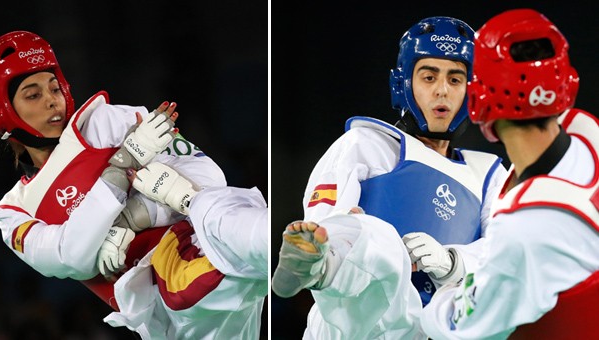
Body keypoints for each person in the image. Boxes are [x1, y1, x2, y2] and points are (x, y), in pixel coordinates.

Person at [272, 16, 507, 338]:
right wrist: (329, 238)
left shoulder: (488, 173)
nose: (442, 90)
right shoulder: (368, 144)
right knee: (369, 231)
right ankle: (315, 266)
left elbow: (505, 254)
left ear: (472, 91)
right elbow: (322, 219)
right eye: (429, 77)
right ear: (403, 84)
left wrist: (452, 262)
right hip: (356, 317)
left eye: (455, 80)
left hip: (434, 324)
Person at [0, 30, 226, 311]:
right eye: (33, 95)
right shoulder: (14, 212)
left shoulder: (106, 122)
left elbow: (212, 179)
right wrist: (123, 164)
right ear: (0, 111)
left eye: (54, 88)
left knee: (244, 224)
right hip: (162, 320)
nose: (52, 101)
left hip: (207, 261)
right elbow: (73, 257)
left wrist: (133, 218)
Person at [420, 9, 599, 339]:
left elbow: (460, 328)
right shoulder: (587, 131)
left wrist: (439, 295)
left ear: (478, 99)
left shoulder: (524, 232)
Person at [102, 162, 268, 339]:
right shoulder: (188, 292)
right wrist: (187, 198)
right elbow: (263, 240)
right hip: (193, 236)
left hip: (159, 277)